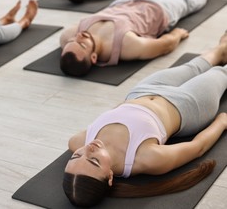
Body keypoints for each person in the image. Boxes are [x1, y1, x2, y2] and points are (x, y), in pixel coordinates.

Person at [62, 31, 227, 207]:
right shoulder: (145, 159)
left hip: (144, 90)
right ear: (109, 176)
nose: (88, 148)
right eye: (94, 160)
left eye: (76, 156)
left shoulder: (77, 141)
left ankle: (222, 46)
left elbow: (116, 111)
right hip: (188, 105)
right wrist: (222, 122)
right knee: (221, 72)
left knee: (196, 64)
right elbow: (197, 148)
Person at [60, 0, 216, 76]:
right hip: (161, 10)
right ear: (94, 57)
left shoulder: (69, 38)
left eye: (73, 40)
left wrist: (74, 44)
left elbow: (68, 45)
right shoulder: (125, 47)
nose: (79, 36)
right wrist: (177, 34)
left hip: (127, 1)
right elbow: (164, 46)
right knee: (191, 3)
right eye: (82, 44)